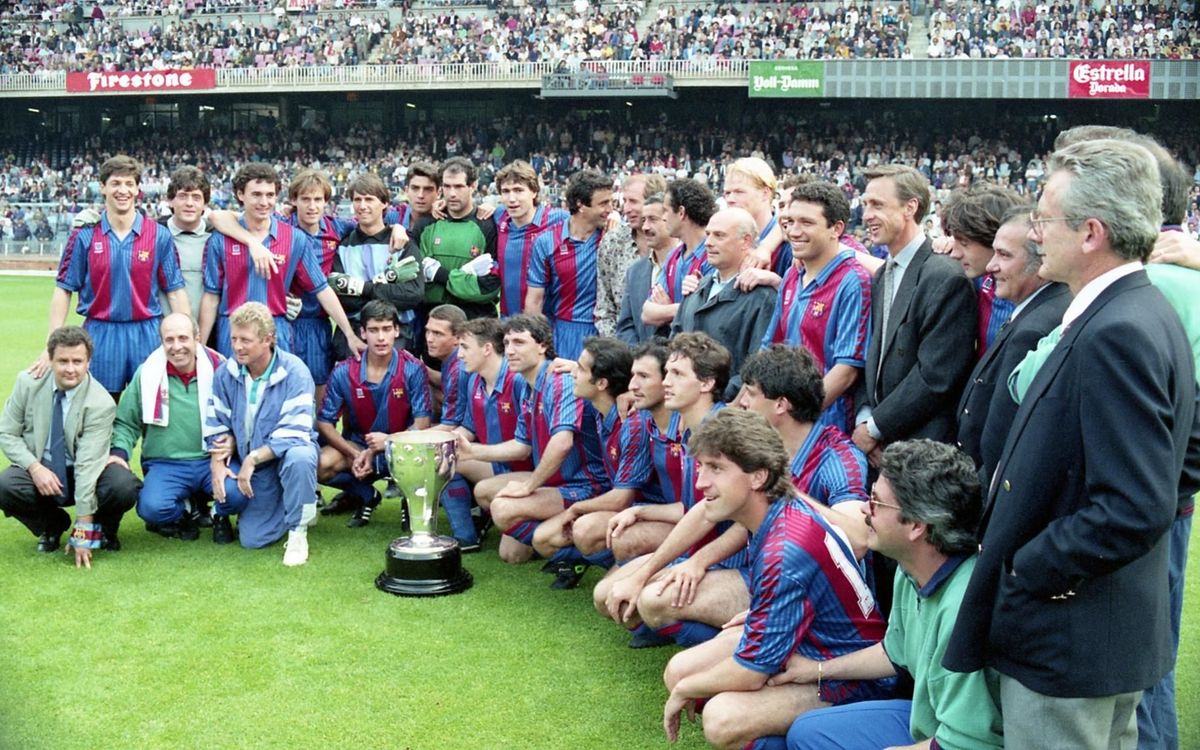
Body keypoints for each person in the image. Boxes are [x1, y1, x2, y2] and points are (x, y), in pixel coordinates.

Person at [943, 139, 1197, 749]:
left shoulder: (1117, 328)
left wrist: (1030, 566)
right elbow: (1186, 453)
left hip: (1069, 639)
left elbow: (1133, 506)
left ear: (1090, 233)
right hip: (1091, 631)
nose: (1035, 234)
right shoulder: (1138, 308)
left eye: (1044, 220)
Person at [660, 409, 887, 750]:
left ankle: (814, 734)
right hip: (808, 640)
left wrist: (686, 690)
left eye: (716, 468)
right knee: (680, 670)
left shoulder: (785, 547)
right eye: (702, 467)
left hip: (852, 676)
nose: (700, 482)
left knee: (721, 718)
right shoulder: (778, 512)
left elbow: (751, 672)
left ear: (758, 477)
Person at [782, 440, 1003, 750]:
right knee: (805, 732)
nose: (864, 508)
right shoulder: (911, 568)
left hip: (956, 741)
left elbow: (966, 743)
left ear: (916, 526)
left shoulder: (963, 612)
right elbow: (894, 652)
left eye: (875, 501)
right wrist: (817, 670)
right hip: (928, 723)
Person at [457, 314, 608, 564]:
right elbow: (521, 446)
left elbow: (563, 443)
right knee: (490, 506)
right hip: (552, 482)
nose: (510, 350)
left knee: (506, 512)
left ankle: (574, 551)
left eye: (519, 342)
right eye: (507, 343)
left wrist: (528, 487)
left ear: (542, 346)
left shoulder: (560, 381)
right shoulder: (527, 386)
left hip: (584, 485)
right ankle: (555, 534)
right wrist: (472, 452)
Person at [853, 165, 977, 464]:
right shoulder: (882, 275)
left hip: (922, 452)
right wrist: (865, 417)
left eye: (877, 204)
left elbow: (936, 376)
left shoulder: (945, 276)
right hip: (883, 446)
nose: (867, 215)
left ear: (910, 207)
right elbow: (874, 358)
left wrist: (874, 428)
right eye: (865, 204)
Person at [40, 155, 189, 396]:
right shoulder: (84, 236)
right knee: (100, 410)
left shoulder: (159, 235)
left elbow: (174, 291)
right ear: (103, 187)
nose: (123, 190)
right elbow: (64, 289)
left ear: (138, 189)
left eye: (129, 184)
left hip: (146, 332)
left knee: (152, 409)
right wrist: (51, 343)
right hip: (100, 333)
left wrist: (188, 338)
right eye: (116, 183)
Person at [198, 164, 365, 361]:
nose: (264, 202)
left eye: (270, 195)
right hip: (233, 332)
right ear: (240, 194)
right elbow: (211, 297)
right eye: (256, 194)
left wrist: (349, 334)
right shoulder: (220, 240)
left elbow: (321, 288)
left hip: (276, 332)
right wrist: (200, 348)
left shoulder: (294, 238)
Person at [955, 206, 1069, 484]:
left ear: (1041, 260)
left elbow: (1001, 437)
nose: (991, 266)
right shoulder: (1042, 307)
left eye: (1004, 255)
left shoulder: (1034, 330)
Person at [204, 302, 321, 566]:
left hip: (285, 455)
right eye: (234, 339)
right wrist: (217, 462)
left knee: (301, 457)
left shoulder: (295, 371)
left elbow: (295, 431)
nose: (237, 347)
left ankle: (298, 531)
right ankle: (294, 503)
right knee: (253, 540)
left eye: (245, 340)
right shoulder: (225, 373)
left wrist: (253, 458)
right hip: (258, 466)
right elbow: (217, 423)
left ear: (267, 339)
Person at [531, 336, 654, 588]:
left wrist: (576, 508)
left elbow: (621, 499)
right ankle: (611, 565)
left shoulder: (632, 422)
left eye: (580, 368)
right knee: (543, 539)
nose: (572, 374)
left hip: (646, 509)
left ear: (601, 383)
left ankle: (634, 568)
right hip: (623, 505)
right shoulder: (598, 406)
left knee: (584, 531)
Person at [0, 326, 128, 566]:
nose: (70, 369)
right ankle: (53, 526)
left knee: (122, 485)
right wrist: (35, 468)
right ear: (50, 360)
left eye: (77, 361)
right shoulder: (27, 383)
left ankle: (102, 529)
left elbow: (87, 467)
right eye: (63, 361)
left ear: (88, 362)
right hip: (43, 468)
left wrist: (84, 528)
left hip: (82, 470)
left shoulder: (101, 403)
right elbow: (6, 433)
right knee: (5, 485)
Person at [758, 182, 872, 435]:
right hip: (783, 421)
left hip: (826, 426)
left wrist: (798, 419)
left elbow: (847, 370)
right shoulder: (792, 275)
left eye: (807, 223)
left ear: (836, 229)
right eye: (790, 222)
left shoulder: (853, 281)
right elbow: (769, 347)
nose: (794, 231)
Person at [738, 346, 869, 555]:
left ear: (781, 405)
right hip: (766, 565)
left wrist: (787, 492)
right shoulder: (760, 444)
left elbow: (859, 540)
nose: (742, 402)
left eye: (751, 394)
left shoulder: (838, 456)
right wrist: (699, 561)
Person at [106, 313, 225, 541]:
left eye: (183, 338)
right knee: (152, 508)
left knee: (238, 495)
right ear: (161, 342)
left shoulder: (220, 368)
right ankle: (186, 509)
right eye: (169, 340)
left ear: (197, 338)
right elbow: (126, 422)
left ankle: (216, 511)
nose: (176, 347)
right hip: (166, 463)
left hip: (211, 459)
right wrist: (119, 453)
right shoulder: (147, 373)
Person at [317, 300, 432, 528]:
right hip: (358, 447)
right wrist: (355, 453)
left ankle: (410, 500)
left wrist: (388, 442)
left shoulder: (413, 368)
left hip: (403, 448)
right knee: (318, 464)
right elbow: (325, 423)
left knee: (427, 454)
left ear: (396, 331)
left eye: (386, 329)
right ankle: (366, 494)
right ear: (362, 333)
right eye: (373, 330)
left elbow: (422, 423)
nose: (381, 337)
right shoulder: (343, 371)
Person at [670, 207, 776, 401]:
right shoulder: (695, 288)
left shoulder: (763, 298)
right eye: (708, 234)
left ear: (746, 241)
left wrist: (719, 399)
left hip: (727, 407)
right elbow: (674, 342)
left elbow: (758, 365)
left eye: (719, 235)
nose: (708, 242)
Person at [327, 173, 425, 359]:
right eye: (357, 200)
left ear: (384, 203)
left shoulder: (403, 243)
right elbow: (342, 299)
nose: (362, 206)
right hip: (354, 336)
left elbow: (413, 294)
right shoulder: (343, 246)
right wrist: (387, 291)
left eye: (369, 199)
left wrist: (362, 288)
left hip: (397, 335)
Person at [525, 169, 613, 360]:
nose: (610, 209)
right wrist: (535, 346)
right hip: (563, 332)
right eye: (603, 203)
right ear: (581, 204)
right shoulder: (547, 242)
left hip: (606, 333)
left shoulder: (613, 237)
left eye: (611, 202)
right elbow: (534, 300)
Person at [413, 157, 500, 322]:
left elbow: (489, 287)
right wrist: (466, 278)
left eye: (459, 186)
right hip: (431, 320)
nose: (452, 194)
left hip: (475, 322)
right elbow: (417, 281)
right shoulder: (425, 226)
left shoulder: (489, 226)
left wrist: (438, 274)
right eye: (447, 186)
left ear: (473, 186)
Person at [940, 185, 1022, 355]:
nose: (955, 254)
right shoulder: (980, 278)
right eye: (954, 241)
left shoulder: (1033, 296)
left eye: (964, 243)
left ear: (995, 238)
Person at [492, 160, 568, 318]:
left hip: (545, 323)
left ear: (534, 192)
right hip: (506, 321)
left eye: (518, 190)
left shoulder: (558, 219)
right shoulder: (499, 217)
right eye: (505, 191)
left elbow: (589, 219)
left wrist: (612, 216)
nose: (511, 198)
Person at [595, 172, 666, 337]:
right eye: (624, 201)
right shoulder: (613, 242)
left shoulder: (676, 245)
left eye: (633, 201)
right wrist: (618, 347)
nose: (626, 209)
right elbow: (604, 307)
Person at [642, 178, 717, 332]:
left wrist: (667, 310)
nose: (664, 217)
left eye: (666, 211)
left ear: (681, 212)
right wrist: (681, 309)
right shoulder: (674, 256)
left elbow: (705, 317)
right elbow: (647, 314)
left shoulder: (713, 255)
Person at [616, 192, 676, 345]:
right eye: (644, 220)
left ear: (671, 219)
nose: (645, 227)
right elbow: (626, 325)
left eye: (653, 219)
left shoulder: (691, 267)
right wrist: (639, 354)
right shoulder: (635, 272)